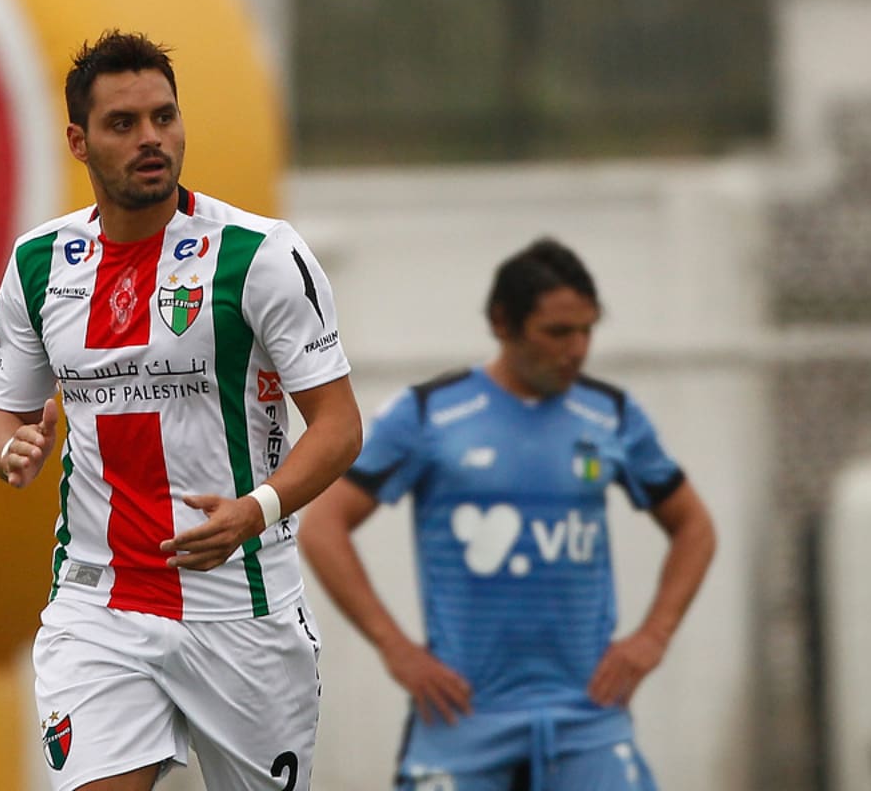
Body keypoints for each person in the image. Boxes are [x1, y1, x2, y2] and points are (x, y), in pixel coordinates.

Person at [0, 30, 361, 791]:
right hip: (100, 602)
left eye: (164, 117)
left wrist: (257, 509)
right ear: (78, 142)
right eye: (124, 124)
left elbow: (340, 425)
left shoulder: (260, 255)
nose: (151, 139)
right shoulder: (36, 263)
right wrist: (11, 451)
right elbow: (6, 419)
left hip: (242, 604)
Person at [298, 238, 716, 791]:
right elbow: (324, 524)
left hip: (587, 717)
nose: (577, 349)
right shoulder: (428, 414)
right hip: (463, 715)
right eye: (558, 333)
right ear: (503, 323)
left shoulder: (611, 415)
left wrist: (653, 636)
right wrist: (395, 648)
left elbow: (694, 527)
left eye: (587, 330)